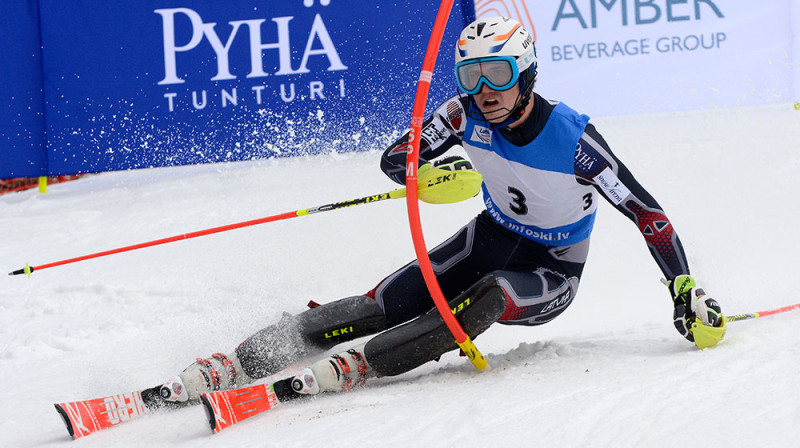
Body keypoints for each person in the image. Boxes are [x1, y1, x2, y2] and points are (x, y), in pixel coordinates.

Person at [144, 16, 726, 407]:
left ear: (526, 75)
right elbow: (398, 156)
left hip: (551, 269)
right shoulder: (461, 110)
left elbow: (647, 213)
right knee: (380, 304)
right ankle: (241, 359)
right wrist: (417, 168)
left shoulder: (573, 140)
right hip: (490, 234)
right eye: (471, 75)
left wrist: (683, 287)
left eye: (497, 74)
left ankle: (359, 365)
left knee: (488, 297)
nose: (484, 90)